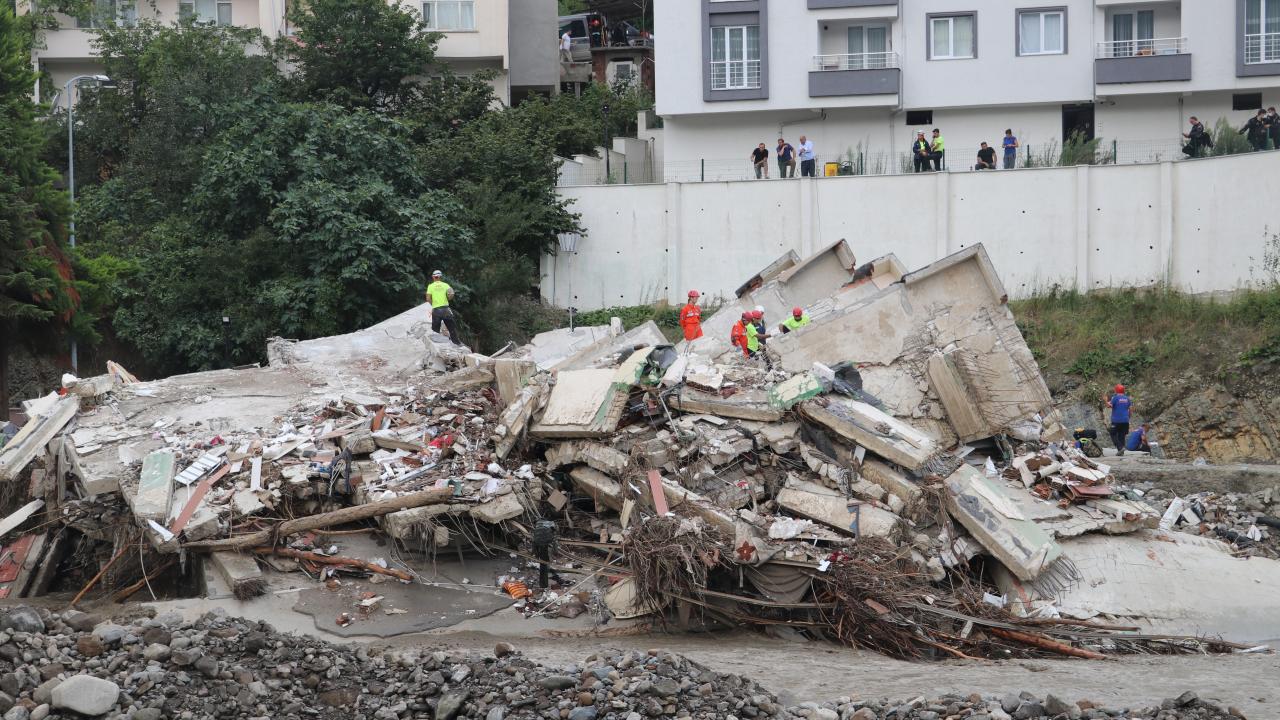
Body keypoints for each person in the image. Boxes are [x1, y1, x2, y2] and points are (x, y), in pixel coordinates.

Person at [426, 270, 462, 345]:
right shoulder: (446, 285)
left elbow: (428, 298)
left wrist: (434, 304)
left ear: (433, 277)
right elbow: (451, 293)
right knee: (452, 328)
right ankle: (457, 344)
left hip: (436, 311)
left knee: (435, 331)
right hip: (446, 310)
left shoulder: (430, 286)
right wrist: (448, 299)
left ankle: (436, 346)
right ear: (440, 277)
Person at [1105, 384, 1132, 456]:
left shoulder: (1115, 398)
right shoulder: (1127, 398)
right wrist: (1128, 418)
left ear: (1116, 390)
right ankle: (1121, 451)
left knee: (1112, 433)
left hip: (1116, 420)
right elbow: (1130, 409)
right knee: (1122, 435)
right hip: (1125, 420)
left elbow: (1109, 405)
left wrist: (1105, 400)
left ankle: (1120, 448)